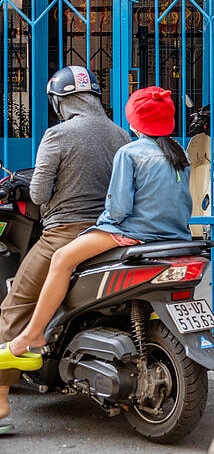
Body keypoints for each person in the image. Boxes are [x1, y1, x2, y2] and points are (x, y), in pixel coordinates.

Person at [5, 86, 193, 360]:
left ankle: (34, 333)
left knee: (61, 259)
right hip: (176, 236)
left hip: (134, 233)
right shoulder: (180, 153)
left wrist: (103, 226)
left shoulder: (130, 153)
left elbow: (118, 208)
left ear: (134, 120)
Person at [0, 66, 130, 432]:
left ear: (59, 101)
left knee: (16, 304)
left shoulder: (57, 136)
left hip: (64, 233)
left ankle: (0, 406)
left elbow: (38, 195)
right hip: (109, 234)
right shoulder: (122, 135)